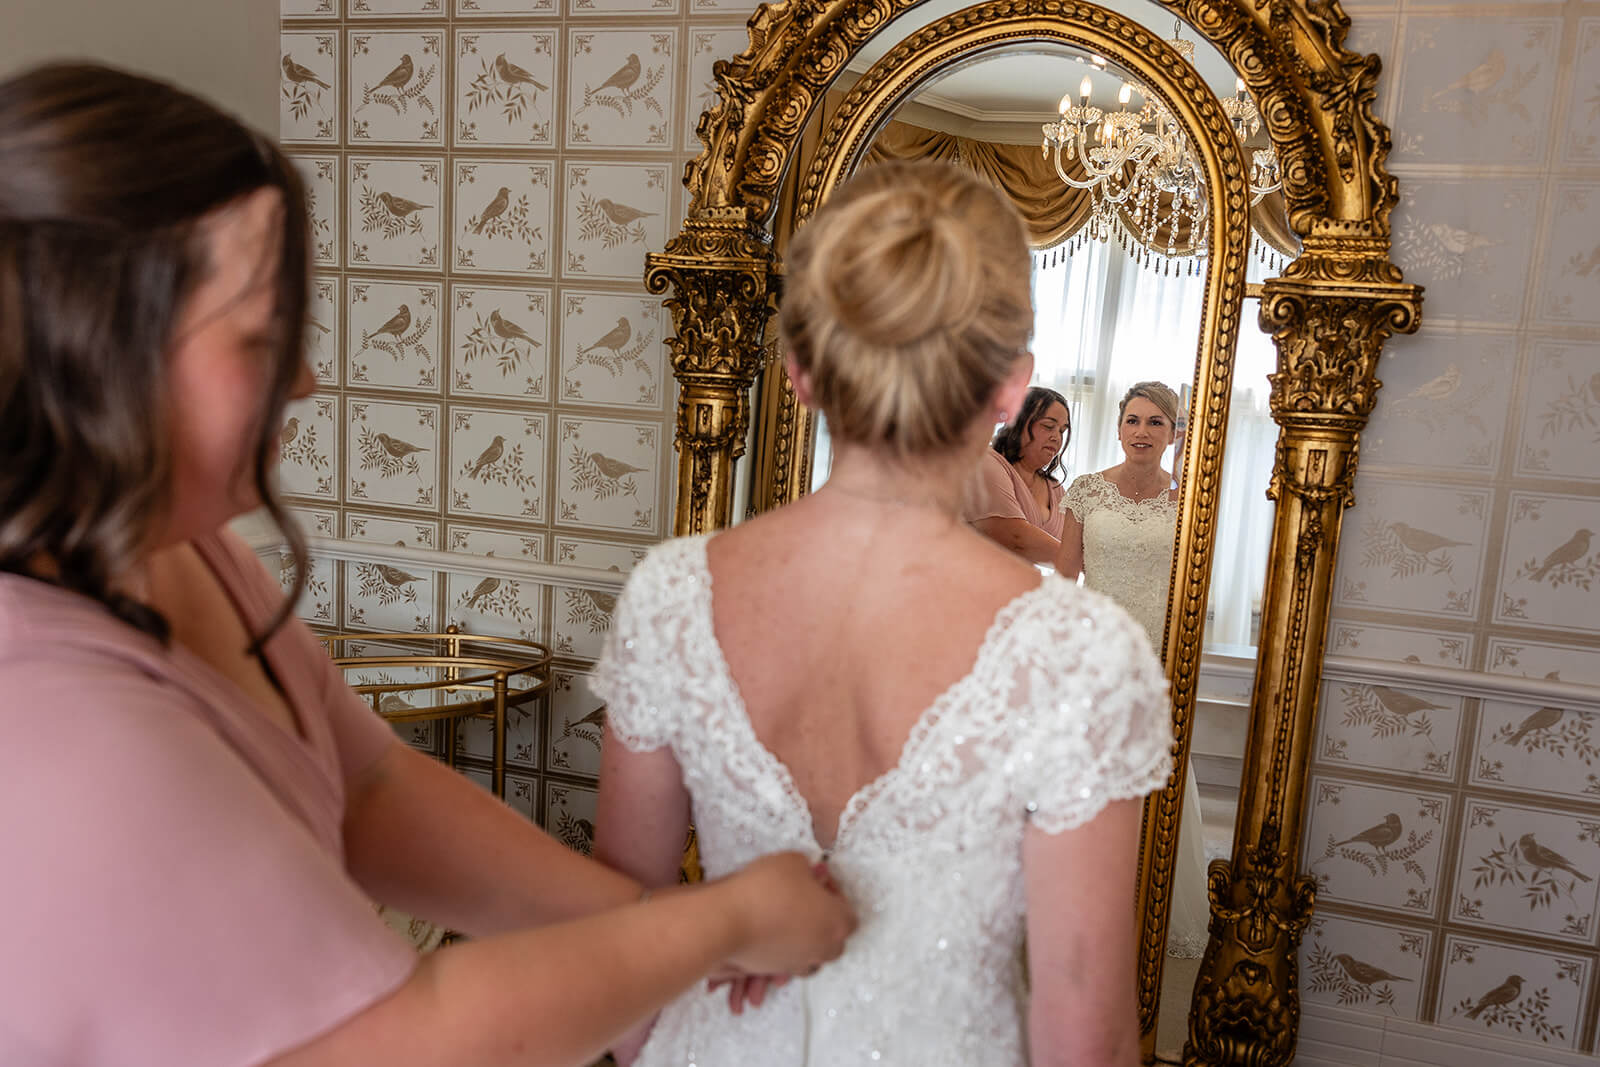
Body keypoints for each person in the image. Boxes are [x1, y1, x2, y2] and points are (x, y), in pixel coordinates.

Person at [0, 63, 854, 1067]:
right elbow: (401, 1037)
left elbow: (370, 792)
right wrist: (712, 927)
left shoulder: (181, 545)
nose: (308, 378)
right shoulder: (52, 717)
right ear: (97, 353)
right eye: (262, 339)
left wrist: (641, 922)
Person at [591, 159, 1174, 1067]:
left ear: (799, 369)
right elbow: (1084, 1035)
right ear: (1011, 388)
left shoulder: (672, 596)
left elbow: (617, 958)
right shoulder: (1083, 655)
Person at [1054, 380, 1208, 959]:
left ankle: (1148, 900)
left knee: (1154, 778)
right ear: (1118, 427)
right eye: (1134, 421)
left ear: (1174, 435)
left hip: (1163, 655)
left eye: (1156, 423)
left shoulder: (1190, 498)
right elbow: (1067, 578)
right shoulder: (1087, 491)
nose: (1142, 432)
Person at [966, 385, 1070, 565]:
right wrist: (1084, 562)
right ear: (1017, 421)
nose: (1057, 437)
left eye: (1062, 430)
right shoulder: (987, 462)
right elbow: (1015, 538)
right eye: (1048, 426)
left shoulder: (1055, 489)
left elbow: (1071, 543)